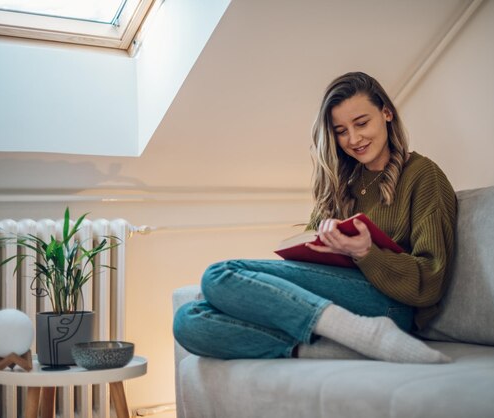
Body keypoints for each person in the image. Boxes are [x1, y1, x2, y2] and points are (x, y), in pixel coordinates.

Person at [173, 72, 457, 363]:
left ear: (386, 113)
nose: (354, 138)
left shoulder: (423, 175)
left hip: (390, 305)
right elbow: (309, 255)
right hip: (334, 295)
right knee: (189, 320)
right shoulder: (343, 182)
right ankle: (336, 346)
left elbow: (430, 281)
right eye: (341, 130)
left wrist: (365, 252)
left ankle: (370, 333)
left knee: (218, 275)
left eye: (361, 123)